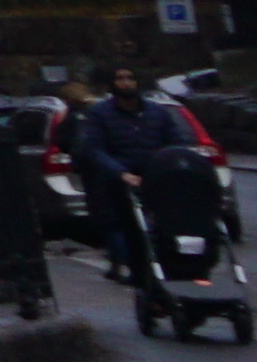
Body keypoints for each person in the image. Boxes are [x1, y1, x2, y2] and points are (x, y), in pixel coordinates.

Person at [71, 68, 217, 282]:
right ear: (111, 84)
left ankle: (179, 266)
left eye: (130, 78)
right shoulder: (100, 114)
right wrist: (120, 173)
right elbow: (94, 149)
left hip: (157, 176)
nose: (126, 83)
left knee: (172, 222)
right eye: (120, 79)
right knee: (132, 229)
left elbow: (176, 141)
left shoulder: (156, 112)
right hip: (123, 180)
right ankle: (141, 274)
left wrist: (183, 161)